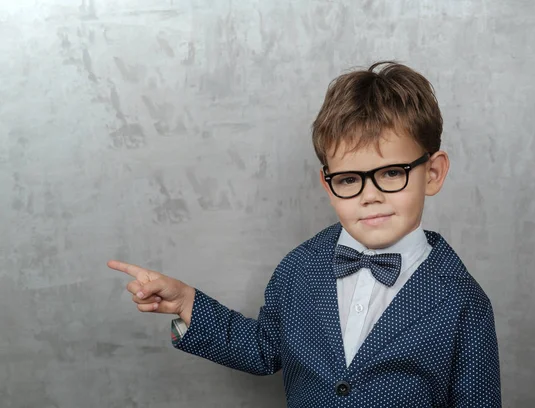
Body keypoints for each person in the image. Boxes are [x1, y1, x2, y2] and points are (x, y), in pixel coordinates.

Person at [108, 61, 501, 407]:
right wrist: (188, 305)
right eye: (349, 179)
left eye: (392, 173)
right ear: (329, 186)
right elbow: (264, 347)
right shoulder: (298, 267)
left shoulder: (465, 302)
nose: (370, 196)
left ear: (432, 173)